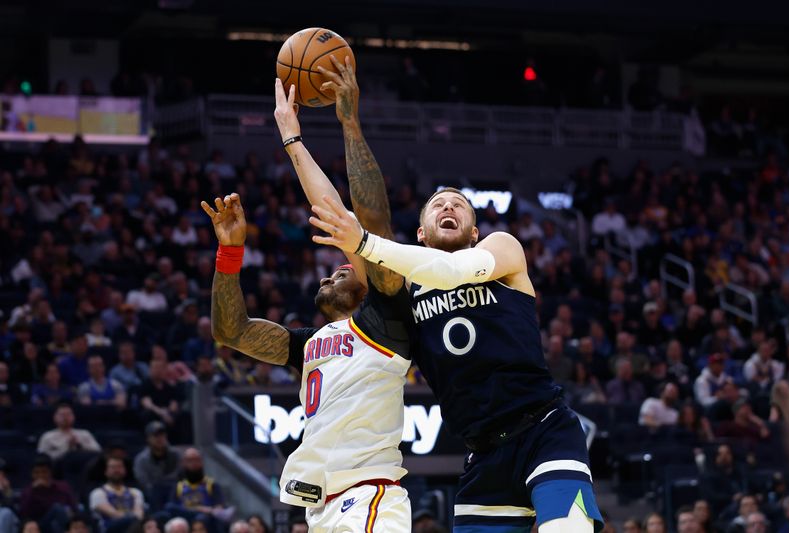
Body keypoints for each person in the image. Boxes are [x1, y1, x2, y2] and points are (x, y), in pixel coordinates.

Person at [313, 56, 602, 532]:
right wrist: (298, 138)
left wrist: (364, 242)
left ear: (473, 230)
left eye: (459, 205)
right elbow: (338, 210)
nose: (449, 207)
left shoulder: (501, 249)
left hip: (544, 430)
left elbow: (451, 273)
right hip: (483, 452)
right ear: (421, 233)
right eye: (437, 205)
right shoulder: (403, 284)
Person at [197, 80, 417, 532]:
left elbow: (366, 217)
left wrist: (343, 124)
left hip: (370, 492)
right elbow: (231, 332)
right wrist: (230, 252)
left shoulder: (387, 318)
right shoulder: (311, 344)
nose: (329, 272)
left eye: (343, 270)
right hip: (321, 507)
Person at [163, 448, 231, 533]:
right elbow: (171, 507)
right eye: (190, 460)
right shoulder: (179, 486)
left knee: (204, 518)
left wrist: (215, 509)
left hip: (206, 522)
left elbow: (219, 508)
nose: (193, 463)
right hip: (185, 519)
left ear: (202, 462)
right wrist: (198, 509)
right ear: (183, 463)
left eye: (196, 460)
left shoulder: (211, 485)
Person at [19, 454, 77, 532]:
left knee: (58, 515)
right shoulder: (28, 491)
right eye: (37, 473)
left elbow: (73, 507)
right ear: (32, 474)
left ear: (50, 473)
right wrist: (33, 491)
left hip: (60, 521)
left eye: (44, 472)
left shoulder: (62, 487)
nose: (41, 475)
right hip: (39, 525)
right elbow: (23, 514)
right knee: (57, 509)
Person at [88, 457, 145, 533]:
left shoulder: (135, 492)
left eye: (119, 467)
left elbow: (139, 514)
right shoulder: (98, 493)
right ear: (106, 471)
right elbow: (114, 514)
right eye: (113, 467)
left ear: (125, 470)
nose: (116, 470)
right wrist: (132, 519)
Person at [36, 403, 101, 461]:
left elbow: (98, 451)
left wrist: (80, 445)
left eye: (68, 414)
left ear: (73, 416)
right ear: (55, 417)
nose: (65, 417)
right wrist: (66, 448)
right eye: (62, 415)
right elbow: (42, 458)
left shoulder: (84, 433)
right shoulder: (47, 436)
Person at [133, 421, 181, 495]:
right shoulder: (141, 459)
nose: (159, 438)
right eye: (155, 435)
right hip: (152, 495)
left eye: (162, 435)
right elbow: (144, 482)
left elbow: (179, 475)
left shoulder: (176, 454)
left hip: (174, 493)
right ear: (148, 438)